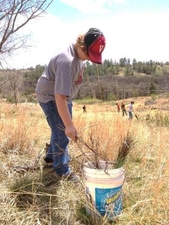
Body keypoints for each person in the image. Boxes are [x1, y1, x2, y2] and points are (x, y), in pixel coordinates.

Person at [35, 28, 106, 182]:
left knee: (59, 126)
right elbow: (59, 96)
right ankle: (62, 170)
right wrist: (69, 125)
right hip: (51, 97)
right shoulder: (66, 60)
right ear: (82, 46)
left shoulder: (79, 55)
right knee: (62, 131)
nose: (88, 59)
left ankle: (51, 157)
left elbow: (67, 88)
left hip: (62, 97)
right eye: (89, 55)